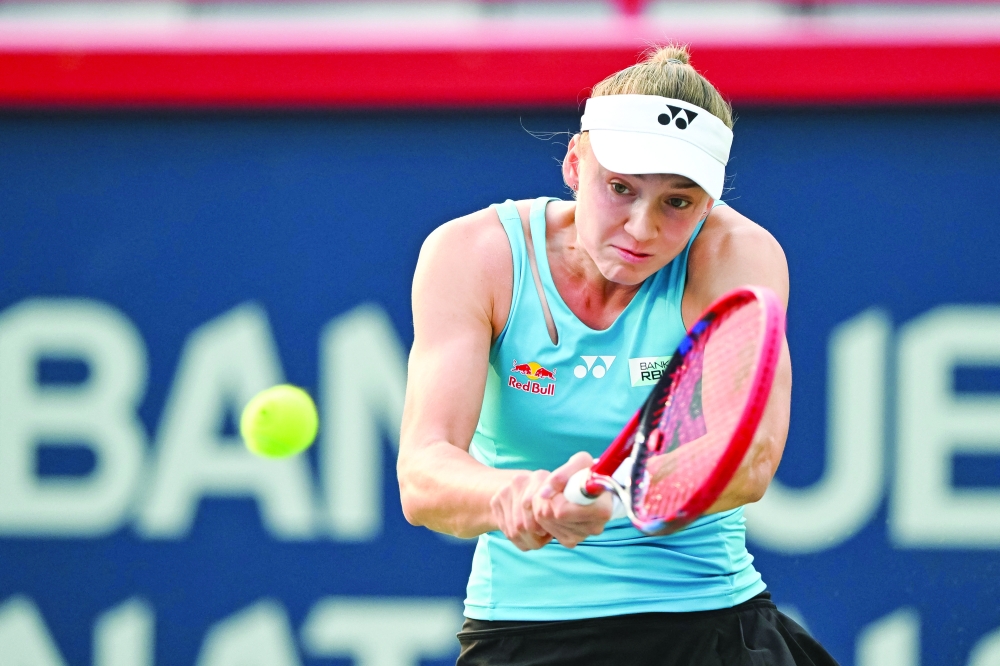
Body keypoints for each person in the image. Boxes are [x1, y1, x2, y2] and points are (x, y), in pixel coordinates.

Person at [397, 45, 839, 665]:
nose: (641, 228)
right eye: (621, 188)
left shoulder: (736, 255)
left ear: (709, 202)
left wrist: (612, 488)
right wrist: (517, 495)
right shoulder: (473, 255)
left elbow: (750, 459)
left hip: (711, 624)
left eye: (677, 202)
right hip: (523, 631)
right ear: (575, 163)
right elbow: (422, 475)